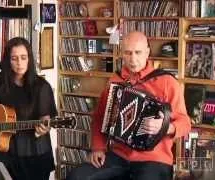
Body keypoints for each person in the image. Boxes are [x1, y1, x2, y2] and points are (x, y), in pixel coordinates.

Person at [67, 31, 191, 180]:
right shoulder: (116, 80)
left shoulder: (167, 82)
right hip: (119, 155)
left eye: (138, 52)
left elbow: (185, 123)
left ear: (147, 52)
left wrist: (164, 127)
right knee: (77, 176)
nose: (133, 59)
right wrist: (98, 148)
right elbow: (100, 118)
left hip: (154, 159)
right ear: (122, 54)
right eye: (128, 53)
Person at [0, 37, 57, 180]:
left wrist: (44, 127)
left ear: (29, 59)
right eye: (14, 58)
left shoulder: (41, 87)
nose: (19, 63)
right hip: (3, 151)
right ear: (8, 61)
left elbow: (46, 119)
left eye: (23, 58)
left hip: (32, 154)